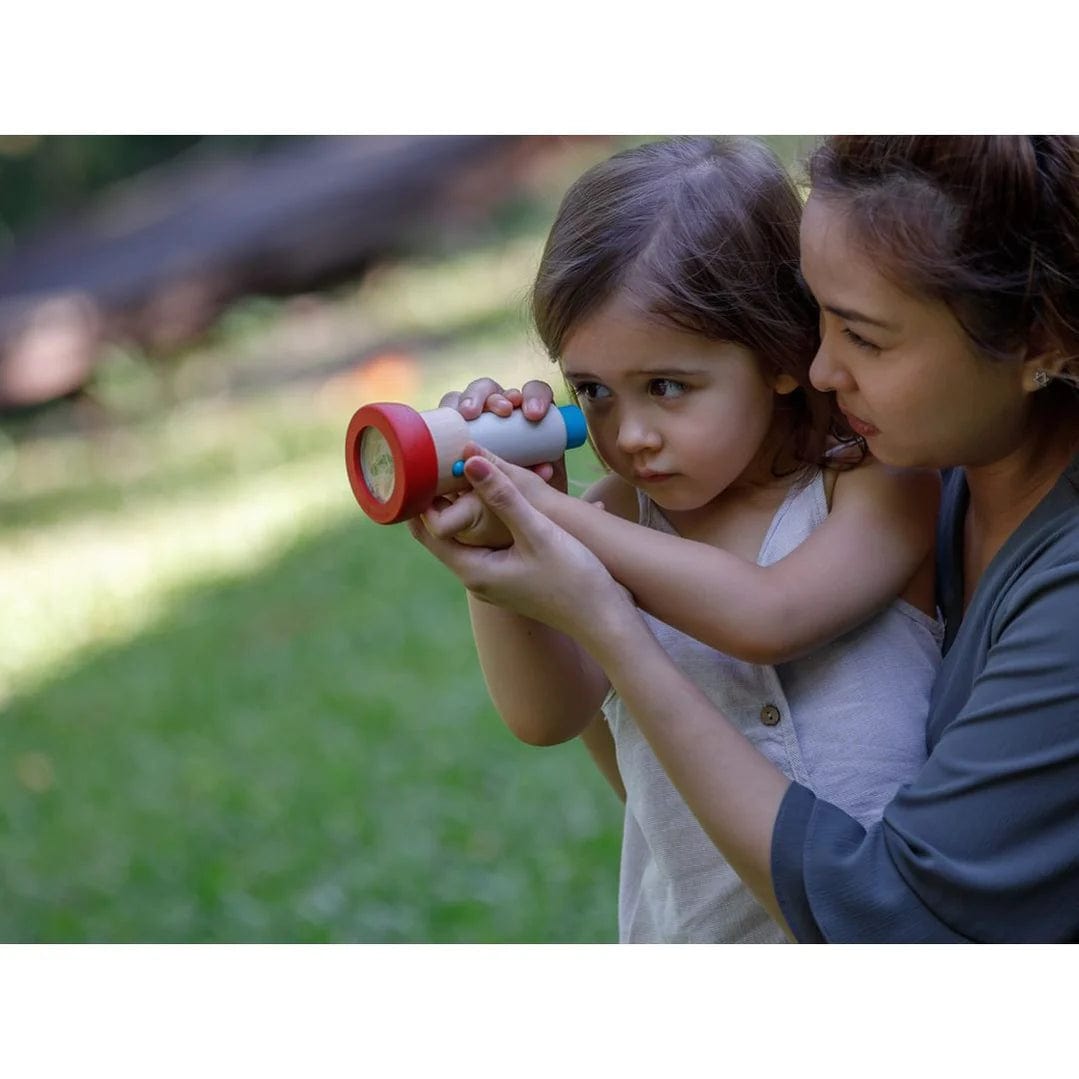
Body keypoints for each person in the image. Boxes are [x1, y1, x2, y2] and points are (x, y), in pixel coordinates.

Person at [412, 135, 1079, 943]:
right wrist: (499, 551)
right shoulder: (621, 515)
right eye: (591, 391)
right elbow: (549, 715)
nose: (630, 434)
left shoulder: (874, 484)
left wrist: (551, 522)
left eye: (666, 387)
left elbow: (765, 615)